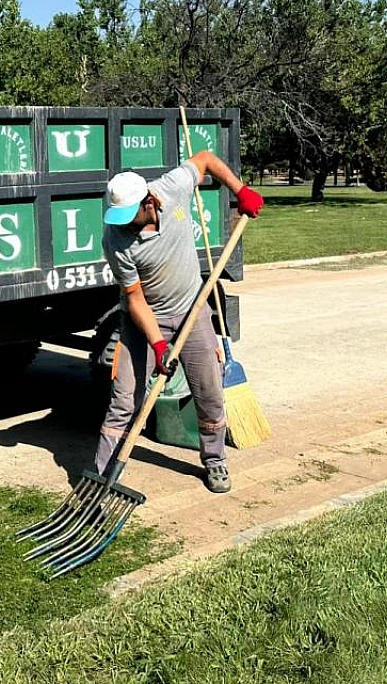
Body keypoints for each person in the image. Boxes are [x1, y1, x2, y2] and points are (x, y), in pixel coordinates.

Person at [95, 151, 264, 493]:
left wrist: (240, 190)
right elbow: (136, 298)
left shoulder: (171, 188)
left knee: (210, 392)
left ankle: (215, 461)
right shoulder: (115, 240)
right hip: (142, 321)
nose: (124, 223)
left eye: (130, 215)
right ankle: (102, 476)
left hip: (192, 308)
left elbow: (204, 159)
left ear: (148, 202)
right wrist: (158, 344)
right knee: (124, 400)